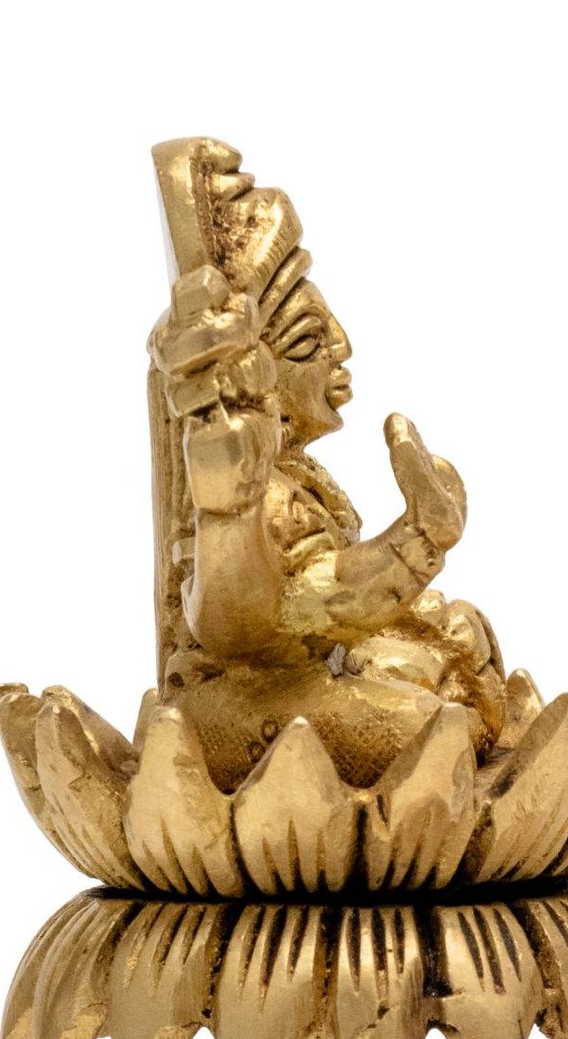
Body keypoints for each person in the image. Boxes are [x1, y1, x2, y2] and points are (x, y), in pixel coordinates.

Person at [147, 137, 505, 788]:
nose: (341, 349)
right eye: (311, 342)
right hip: (248, 709)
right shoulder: (261, 494)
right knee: (424, 724)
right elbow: (278, 612)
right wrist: (418, 539)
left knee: (456, 635)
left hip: (302, 673)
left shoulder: (299, 484)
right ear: (262, 378)